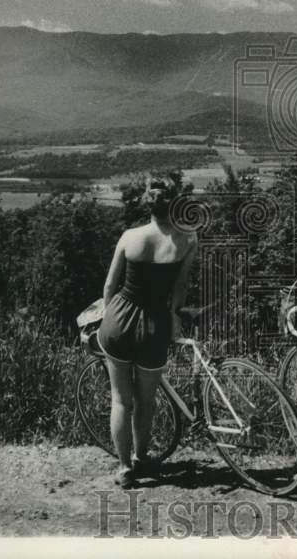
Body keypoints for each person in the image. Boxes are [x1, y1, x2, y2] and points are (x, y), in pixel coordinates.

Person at [97, 179, 198, 489]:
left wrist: (105, 315)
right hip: (155, 324)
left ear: (147, 206)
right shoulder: (188, 240)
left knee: (120, 400)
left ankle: (125, 467)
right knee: (147, 400)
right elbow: (180, 287)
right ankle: (142, 457)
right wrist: (174, 316)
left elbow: (110, 287)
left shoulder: (131, 237)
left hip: (120, 319)